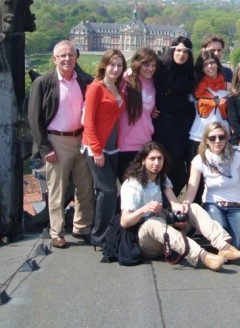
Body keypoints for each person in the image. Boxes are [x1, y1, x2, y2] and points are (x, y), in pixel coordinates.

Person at [120, 141, 240, 271]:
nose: (156, 163)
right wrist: (144, 209)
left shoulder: (162, 178)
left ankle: (225, 247)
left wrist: (181, 215)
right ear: (143, 161)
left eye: (160, 159)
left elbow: (175, 204)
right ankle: (203, 256)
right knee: (154, 222)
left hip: (166, 233)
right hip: (145, 238)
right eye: (152, 159)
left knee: (192, 207)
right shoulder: (132, 184)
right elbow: (124, 222)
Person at [28, 40, 93, 248]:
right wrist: (45, 147)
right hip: (56, 141)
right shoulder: (44, 82)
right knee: (57, 190)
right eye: (63, 55)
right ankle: (57, 231)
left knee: (84, 188)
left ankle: (81, 227)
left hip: (81, 139)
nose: (67, 59)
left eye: (71, 55)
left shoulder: (83, 80)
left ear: (77, 58)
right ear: (54, 59)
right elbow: (34, 117)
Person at [184, 122, 240, 249]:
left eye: (221, 137)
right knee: (222, 236)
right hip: (213, 204)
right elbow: (191, 189)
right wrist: (185, 205)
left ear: (227, 138)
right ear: (206, 140)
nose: (217, 141)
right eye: (212, 138)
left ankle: (221, 247)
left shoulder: (238, 153)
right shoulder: (200, 159)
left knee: (237, 245)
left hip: (236, 206)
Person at [83, 48, 127, 247]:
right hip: (97, 147)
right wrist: (97, 149)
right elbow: (89, 122)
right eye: (112, 65)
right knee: (106, 191)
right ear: (104, 65)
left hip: (114, 147)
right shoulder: (95, 88)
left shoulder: (118, 88)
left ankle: (109, 231)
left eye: (119, 65)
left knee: (112, 191)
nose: (116, 69)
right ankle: (98, 236)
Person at [153, 36, 196, 197]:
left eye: (185, 51)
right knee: (173, 171)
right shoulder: (162, 68)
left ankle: (166, 203)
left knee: (182, 174)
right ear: (172, 51)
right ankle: (162, 203)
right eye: (178, 50)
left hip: (184, 127)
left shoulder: (190, 72)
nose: (181, 54)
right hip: (164, 126)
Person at [118, 47, 159, 182]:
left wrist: (151, 112)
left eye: (153, 65)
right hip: (126, 145)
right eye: (146, 65)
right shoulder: (126, 81)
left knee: (142, 188)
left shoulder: (153, 84)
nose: (150, 69)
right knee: (129, 188)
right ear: (138, 64)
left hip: (145, 144)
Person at [189, 49, 229, 152]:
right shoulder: (196, 87)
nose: (210, 66)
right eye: (205, 64)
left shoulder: (228, 87)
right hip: (199, 136)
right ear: (201, 68)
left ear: (217, 64)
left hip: (222, 137)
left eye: (212, 62)